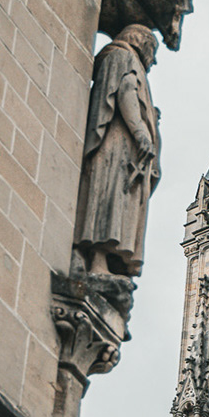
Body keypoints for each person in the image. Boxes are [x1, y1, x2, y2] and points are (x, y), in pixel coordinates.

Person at [75, 24, 161, 276]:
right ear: (141, 42)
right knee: (110, 197)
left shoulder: (121, 57)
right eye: (152, 50)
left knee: (115, 198)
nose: (154, 59)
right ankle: (98, 260)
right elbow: (125, 91)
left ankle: (102, 260)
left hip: (123, 144)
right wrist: (141, 133)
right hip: (118, 143)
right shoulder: (123, 56)